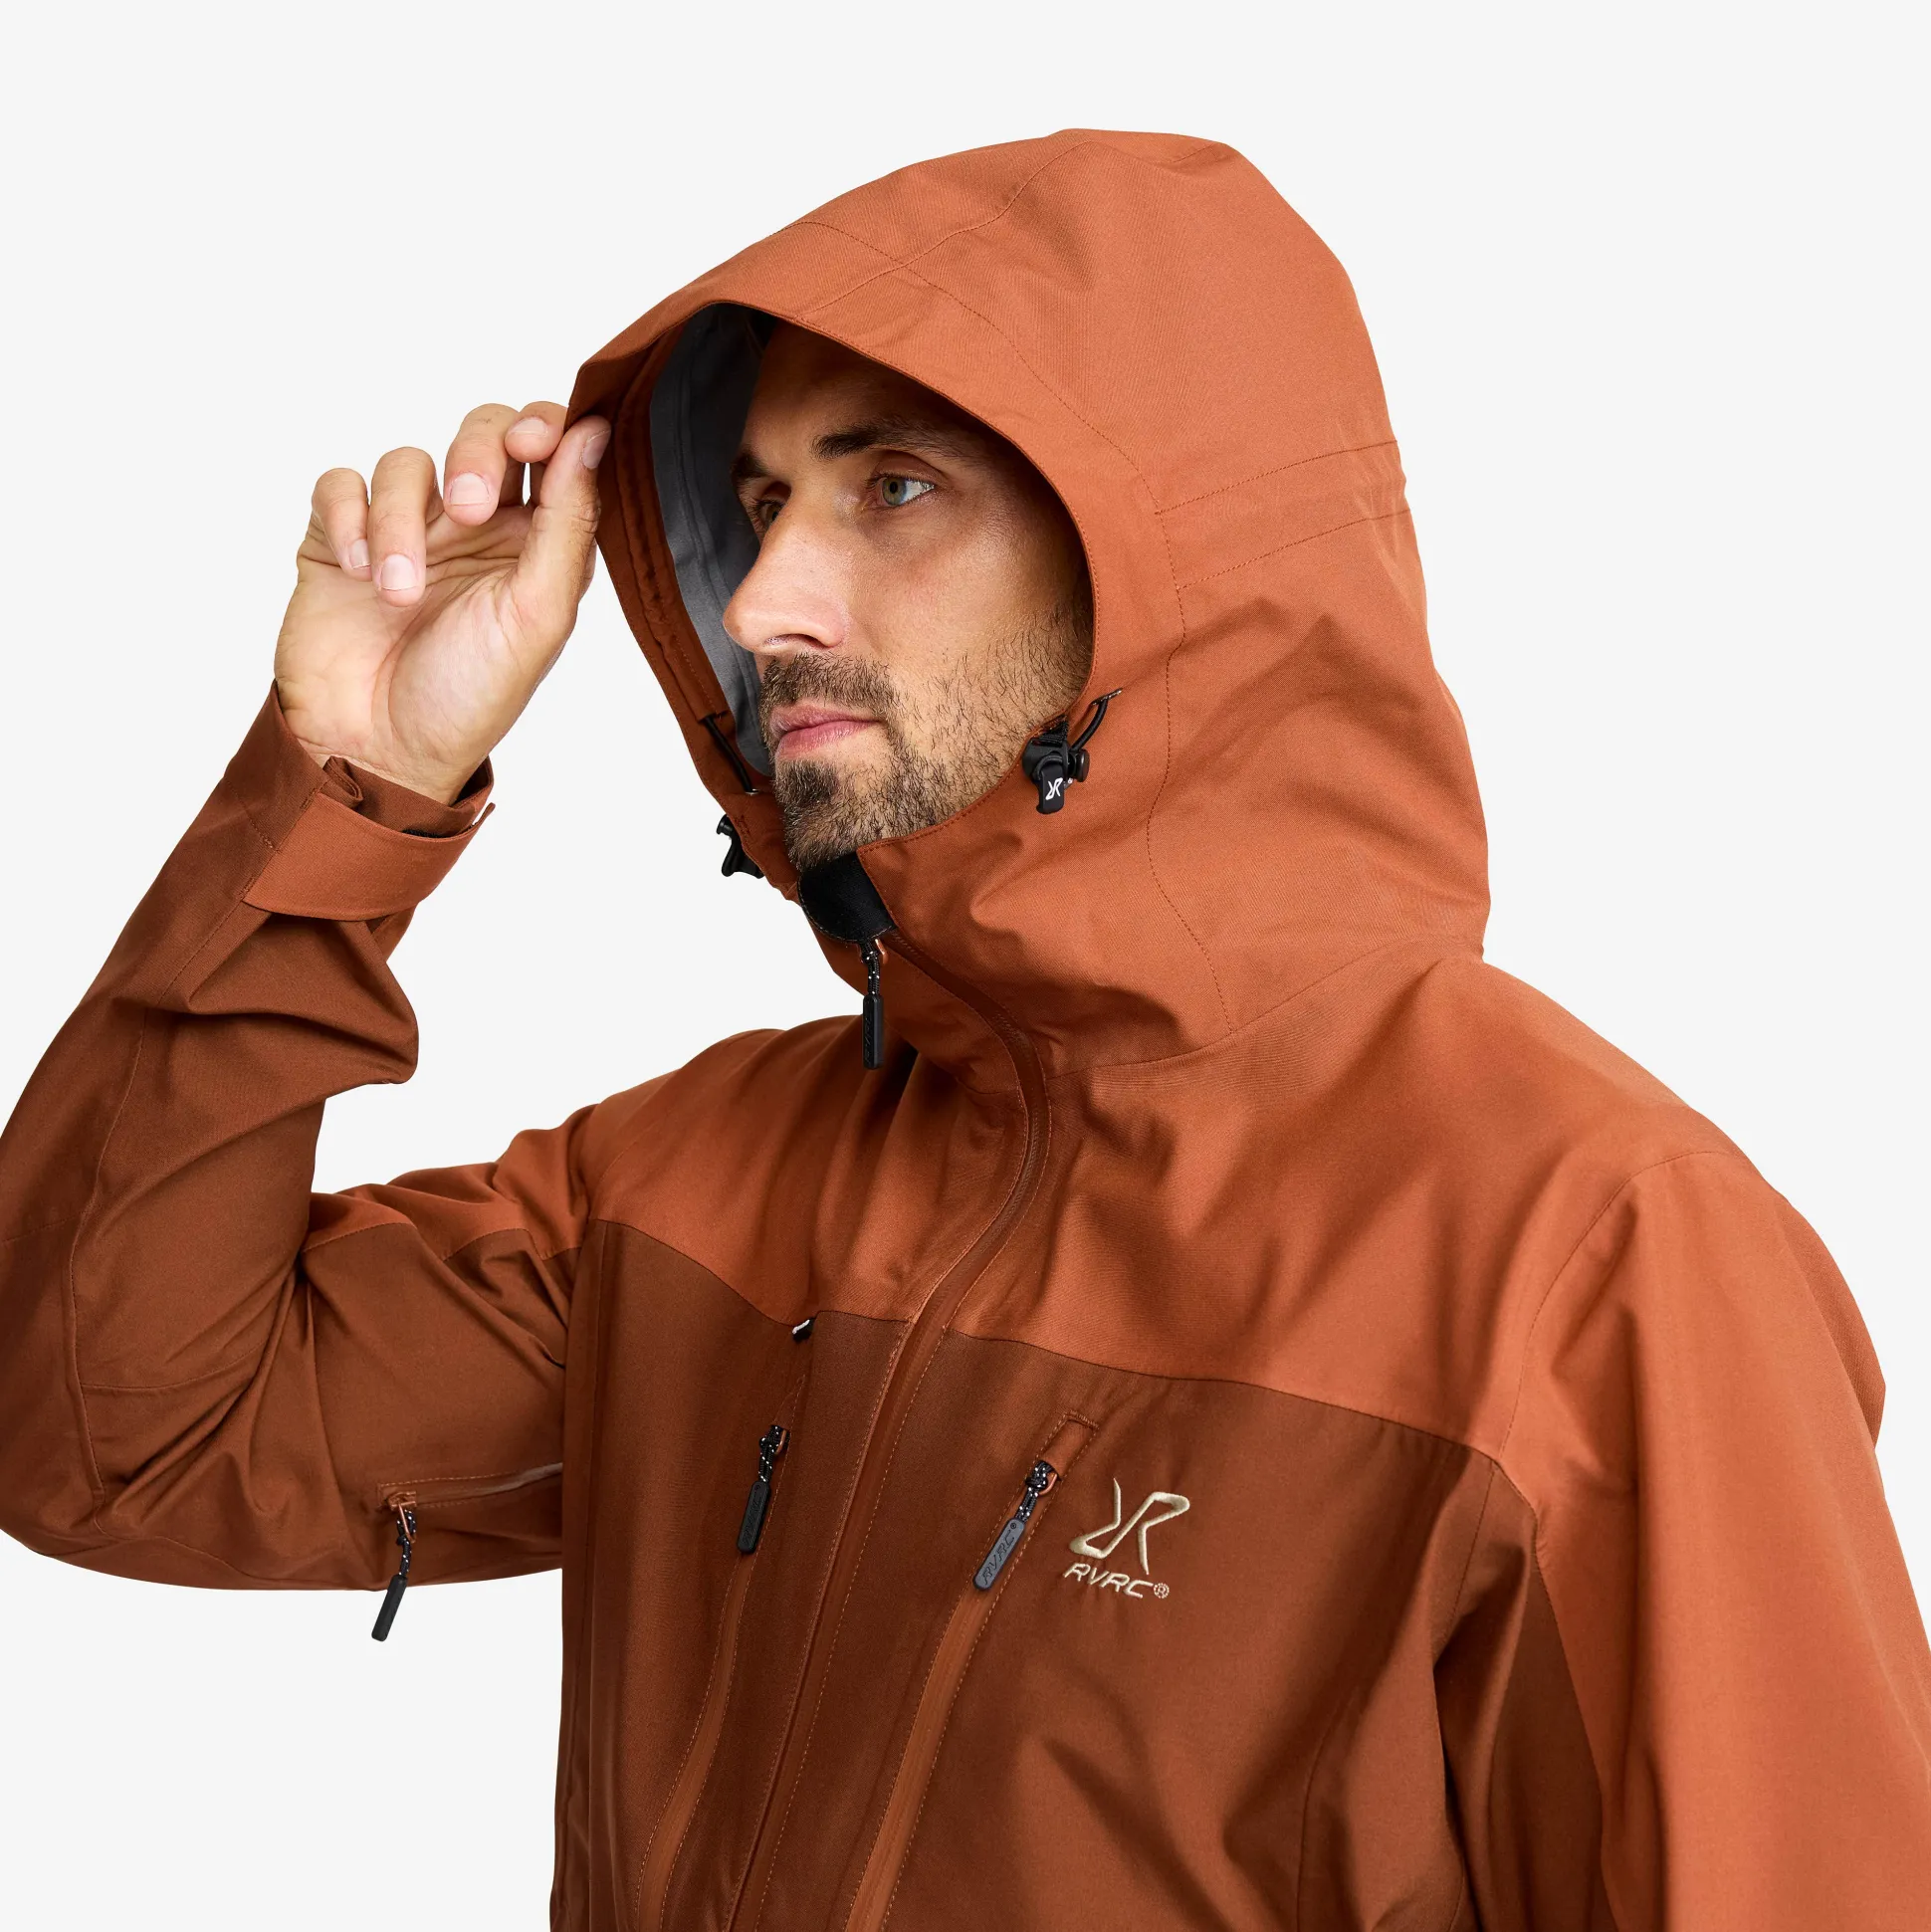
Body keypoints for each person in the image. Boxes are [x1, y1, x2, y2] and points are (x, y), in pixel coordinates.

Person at [0, 127, 1926, 1931]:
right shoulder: (699, 1176)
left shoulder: (1593, 1258)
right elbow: (107, 1434)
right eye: (759, 504)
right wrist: (352, 791)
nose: (765, 600)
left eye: (892, 487)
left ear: (1165, 550)